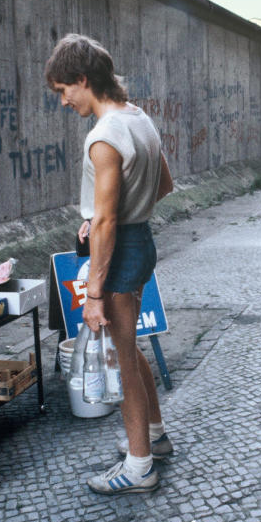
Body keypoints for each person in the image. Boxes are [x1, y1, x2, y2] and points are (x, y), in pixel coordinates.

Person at [45, 33, 174, 495]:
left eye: (64, 90)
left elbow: (104, 221)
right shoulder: (139, 118)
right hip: (140, 241)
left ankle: (139, 467)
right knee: (131, 345)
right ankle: (154, 436)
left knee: (121, 357)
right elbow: (165, 185)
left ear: (83, 79)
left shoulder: (103, 137)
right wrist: (120, 213)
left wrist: (94, 292)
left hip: (118, 250)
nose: (63, 101)